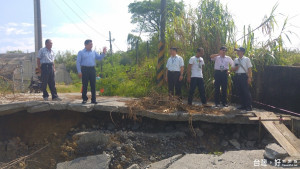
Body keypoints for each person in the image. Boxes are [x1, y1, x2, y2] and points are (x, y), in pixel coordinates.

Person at [76, 39, 107, 104]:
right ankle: (84, 99)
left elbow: (99, 58)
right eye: (90, 44)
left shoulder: (93, 52)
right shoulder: (81, 52)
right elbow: (78, 62)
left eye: (92, 44)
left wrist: (103, 53)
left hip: (92, 69)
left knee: (93, 85)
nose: (91, 46)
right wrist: (79, 71)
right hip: (84, 69)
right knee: (85, 85)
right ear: (85, 45)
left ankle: (93, 99)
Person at [232, 47, 253, 111]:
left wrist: (249, 77)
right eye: (237, 51)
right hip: (237, 76)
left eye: (239, 51)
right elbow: (232, 68)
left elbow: (249, 69)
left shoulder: (247, 59)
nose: (237, 52)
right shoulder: (236, 60)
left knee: (246, 91)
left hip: (244, 76)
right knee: (239, 91)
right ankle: (242, 105)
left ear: (242, 52)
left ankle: (248, 106)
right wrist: (235, 68)